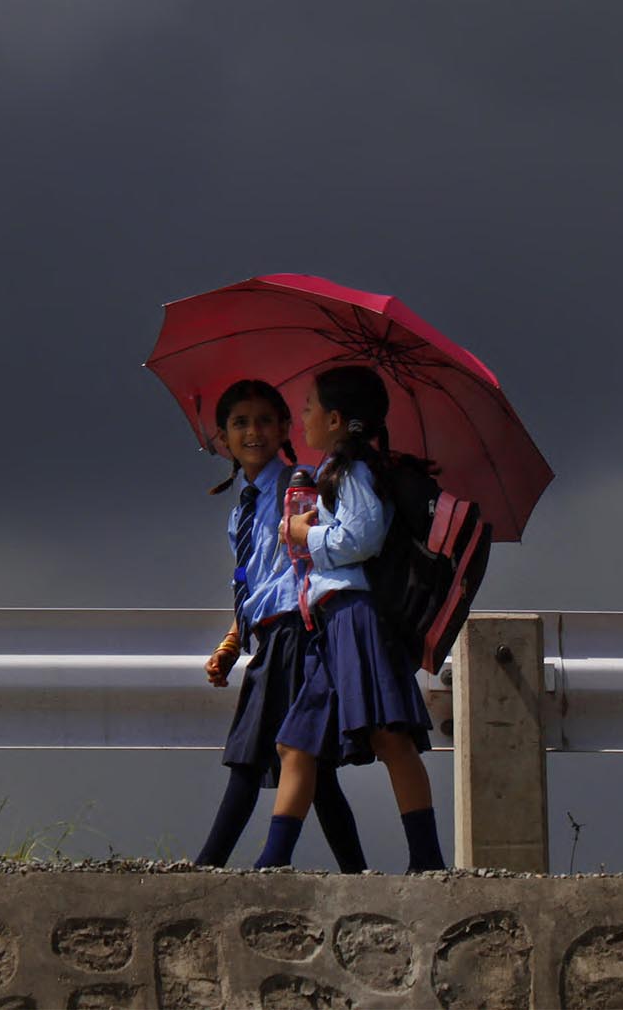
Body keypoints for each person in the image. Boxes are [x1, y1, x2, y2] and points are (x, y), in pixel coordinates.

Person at [253, 364, 446, 872]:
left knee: (389, 736)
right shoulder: (336, 473)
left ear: (336, 419)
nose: (303, 415)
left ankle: (427, 861)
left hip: (355, 619)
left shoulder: (354, 471)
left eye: (310, 407)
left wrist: (302, 535)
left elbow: (361, 541)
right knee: (296, 742)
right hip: (332, 623)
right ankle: (271, 863)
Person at [192, 379, 367, 872]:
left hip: (297, 630)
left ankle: (209, 864)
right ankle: (357, 873)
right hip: (270, 634)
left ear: (285, 427)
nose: (254, 431)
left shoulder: (300, 484)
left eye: (265, 420)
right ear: (222, 438)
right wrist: (232, 641)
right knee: (312, 765)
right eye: (240, 423)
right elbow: (255, 583)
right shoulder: (240, 513)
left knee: (251, 751)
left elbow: (313, 557)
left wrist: (309, 519)